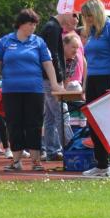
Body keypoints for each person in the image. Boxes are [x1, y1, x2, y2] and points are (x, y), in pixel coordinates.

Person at [0, 8, 64, 173]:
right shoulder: (4, 41)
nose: (33, 27)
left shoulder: (39, 42)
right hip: (10, 90)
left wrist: (54, 83)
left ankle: (36, 160)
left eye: (35, 24)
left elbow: (48, 64)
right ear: (21, 24)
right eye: (31, 24)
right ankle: (16, 161)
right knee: (14, 124)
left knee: (34, 124)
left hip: (34, 90)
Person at [80, 0, 110, 178]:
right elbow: (88, 61)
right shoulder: (92, 32)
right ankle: (101, 164)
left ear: (97, 13)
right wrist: (85, 84)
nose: (87, 19)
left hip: (108, 79)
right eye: (85, 16)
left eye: (89, 15)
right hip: (93, 79)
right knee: (94, 122)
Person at [40, 11, 78, 161]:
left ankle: (52, 150)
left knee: (50, 116)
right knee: (62, 113)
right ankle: (72, 148)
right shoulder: (53, 27)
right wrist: (58, 79)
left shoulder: (52, 27)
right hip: (51, 79)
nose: (76, 19)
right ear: (65, 12)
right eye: (74, 15)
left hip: (48, 78)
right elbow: (52, 56)